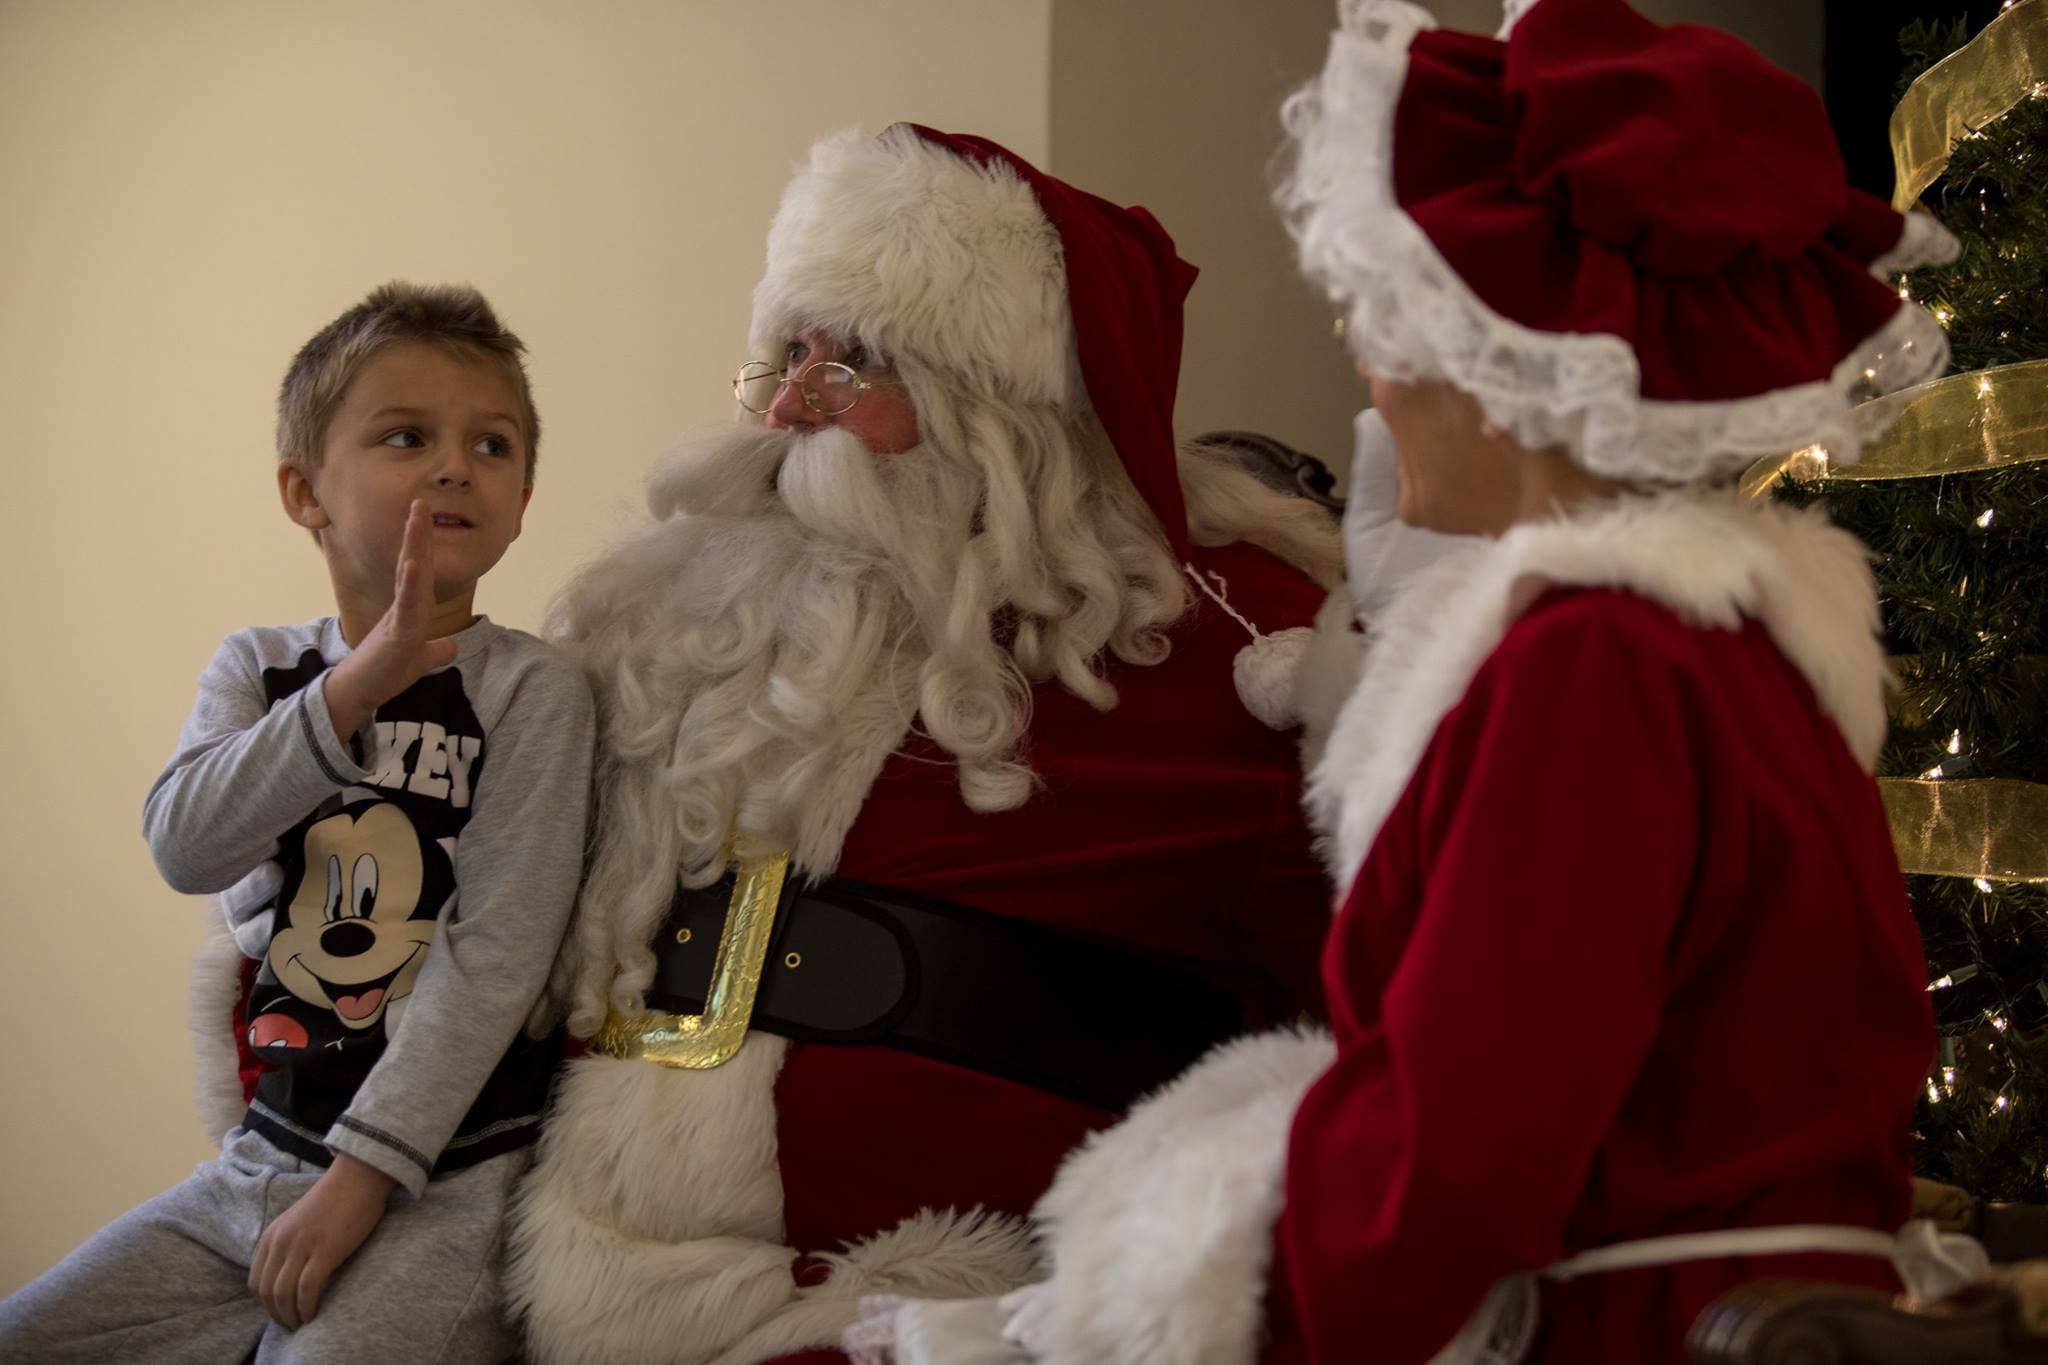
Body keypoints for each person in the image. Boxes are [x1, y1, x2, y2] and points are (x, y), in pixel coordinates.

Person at [843, 1, 1976, 1362]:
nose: (1371, 381)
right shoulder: (1726, 637)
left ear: (1498, 375)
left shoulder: (1593, 661)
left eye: (1391, 333)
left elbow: (1456, 1147)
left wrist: (1108, 1329)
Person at [505, 123, 1344, 1365]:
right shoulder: (668, 627)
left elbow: (1372, 1038)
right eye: (784, 356)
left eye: (850, 366)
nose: (790, 406)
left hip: (944, 1311)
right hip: (561, 1287)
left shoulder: (1240, 653)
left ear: (992, 405)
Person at [0, 282, 595, 1364]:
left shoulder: (536, 692)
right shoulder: (258, 668)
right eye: (408, 436)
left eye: (493, 445)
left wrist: (363, 1180)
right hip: (262, 1158)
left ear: (520, 501)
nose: (457, 464)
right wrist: (357, 683)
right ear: (302, 490)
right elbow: (187, 844)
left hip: (447, 1183)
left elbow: (498, 954)